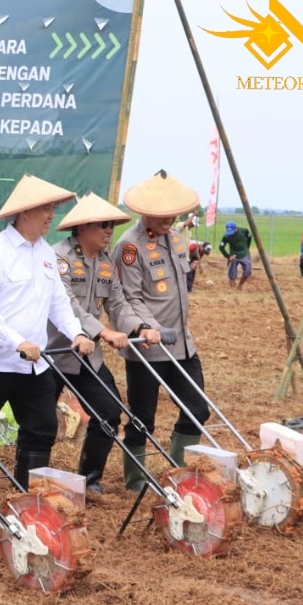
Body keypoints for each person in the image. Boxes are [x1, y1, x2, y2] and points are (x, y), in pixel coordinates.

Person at [0, 175, 94, 514]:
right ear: (25, 213)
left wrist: (76, 333)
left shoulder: (46, 255)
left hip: (34, 364)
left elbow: (58, 303)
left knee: (42, 428)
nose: (52, 216)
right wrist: (17, 342)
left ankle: (28, 499)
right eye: (47, 209)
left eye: (53, 209)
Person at [50, 193, 160, 496]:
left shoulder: (105, 263)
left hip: (88, 356)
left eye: (111, 224)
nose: (109, 230)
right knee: (43, 423)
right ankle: (33, 485)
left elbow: (119, 304)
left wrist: (140, 326)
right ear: (82, 227)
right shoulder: (58, 259)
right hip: (52, 353)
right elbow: (68, 305)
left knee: (109, 413)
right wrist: (103, 332)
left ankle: (90, 479)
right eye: (102, 225)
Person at [111, 170, 210, 479]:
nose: (169, 218)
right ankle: (136, 480)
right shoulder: (130, 246)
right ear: (145, 212)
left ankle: (178, 473)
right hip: (149, 345)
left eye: (172, 212)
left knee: (198, 409)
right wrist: (150, 329)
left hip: (182, 343)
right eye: (161, 213)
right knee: (143, 418)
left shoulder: (175, 239)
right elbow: (131, 298)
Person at [218, 220, 253, 290]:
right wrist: (228, 256)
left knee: (248, 272)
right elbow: (221, 247)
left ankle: (240, 285)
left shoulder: (244, 231)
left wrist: (247, 248)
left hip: (244, 253)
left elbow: (249, 238)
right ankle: (232, 290)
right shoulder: (226, 236)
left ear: (236, 228)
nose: (231, 233)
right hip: (233, 255)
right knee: (232, 275)